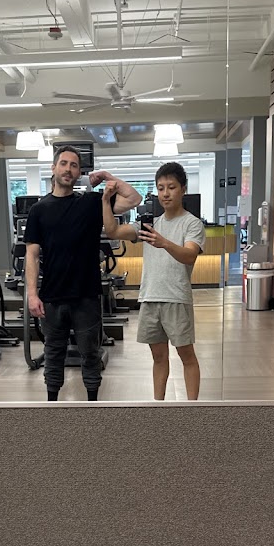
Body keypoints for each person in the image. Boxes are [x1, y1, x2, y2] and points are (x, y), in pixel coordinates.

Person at [24, 146, 142, 401]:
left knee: (90, 354)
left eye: (74, 165)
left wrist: (108, 177)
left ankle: (92, 406)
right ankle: (52, 406)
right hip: (53, 296)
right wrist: (32, 294)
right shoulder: (38, 210)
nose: (68, 169)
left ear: (80, 173)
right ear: (53, 168)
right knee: (53, 355)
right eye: (64, 163)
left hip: (86, 295)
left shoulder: (91, 203)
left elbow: (134, 198)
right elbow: (31, 255)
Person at [102, 161, 205, 400]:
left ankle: (193, 410)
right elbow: (113, 231)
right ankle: (158, 406)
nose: (165, 193)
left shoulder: (192, 223)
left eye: (171, 187)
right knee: (158, 358)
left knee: (187, 356)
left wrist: (164, 243)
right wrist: (106, 200)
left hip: (176, 298)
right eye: (161, 188)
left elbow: (190, 255)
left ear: (183, 189)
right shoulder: (150, 225)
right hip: (150, 298)